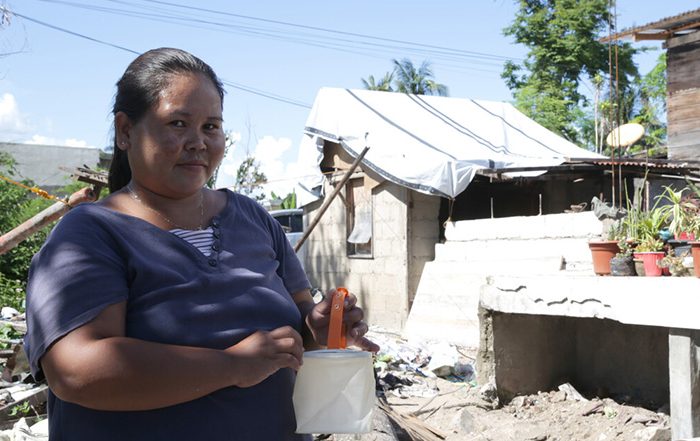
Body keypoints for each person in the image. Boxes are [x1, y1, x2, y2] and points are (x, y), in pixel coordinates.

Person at [24, 47, 378, 441]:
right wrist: (230, 365)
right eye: (178, 123)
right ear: (126, 131)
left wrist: (321, 327)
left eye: (211, 126)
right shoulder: (90, 234)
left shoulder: (252, 218)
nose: (198, 142)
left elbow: (296, 332)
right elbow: (76, 370)